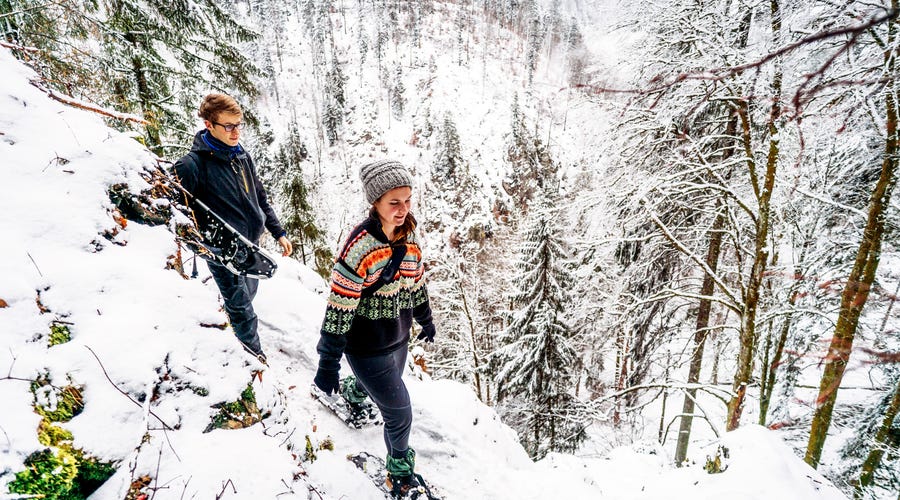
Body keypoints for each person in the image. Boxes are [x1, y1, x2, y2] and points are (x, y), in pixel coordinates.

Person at [314, 159, 436, 495]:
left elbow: (416, 282)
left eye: (408, 200)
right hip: (365, 345)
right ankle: (400, 475)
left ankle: (355, 394)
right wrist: (328, 363)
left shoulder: (408, 235)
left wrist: (425, 318)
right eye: (394, 202)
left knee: (383, 388)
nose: (403, 209)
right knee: (400, 414)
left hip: (398, 336)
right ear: (376, 203)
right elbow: (339, 309)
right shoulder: (359, 248)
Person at [173, 93, 292, 364]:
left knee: (247, 298)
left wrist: (278, 231)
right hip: (223, 253)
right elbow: (177, 215)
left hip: (250, 246)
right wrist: (204, 248)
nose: (236, 131)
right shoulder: (191, 165)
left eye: (239, 124)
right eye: (228, 126)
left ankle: (231, 333)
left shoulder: (241, 157)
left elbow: (259, 198)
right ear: (209, 125)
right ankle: (253, 362)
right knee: (243, 312)